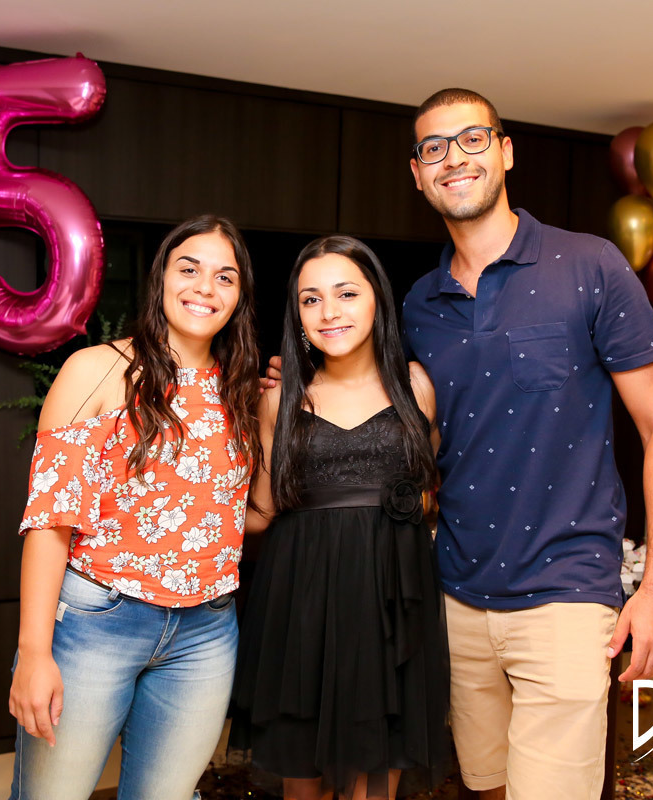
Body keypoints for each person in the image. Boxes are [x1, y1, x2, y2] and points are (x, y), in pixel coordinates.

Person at [268, 89, 653, 800]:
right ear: (417, 173)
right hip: (453, 597)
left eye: (472, 139)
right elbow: (392, 418)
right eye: (433, 148)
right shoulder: (417, 305)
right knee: (487, 786)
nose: (453, 159)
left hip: (565, 595)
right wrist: (301, 383)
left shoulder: (590, 265)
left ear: (505, 151)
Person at [8, 214, 262, 800]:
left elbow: (236, 513)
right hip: (98, 624)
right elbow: (49, 519)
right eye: (189, 269)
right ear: (161, 278)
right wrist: (34, 652)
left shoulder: (242, 389)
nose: (205, 287)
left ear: (239, 297)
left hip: (206, 633)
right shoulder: (97, 370)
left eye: (225, 277)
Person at [234, 236, 452, 800]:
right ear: (298, 315)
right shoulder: (278, 399)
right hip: (301, 607)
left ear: (377, 298)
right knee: (303, 786)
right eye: (311, 299)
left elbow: (433, 492)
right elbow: (261, 511)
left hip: (392, 607)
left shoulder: (417, 387)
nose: (329, 312)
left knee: (376, 782)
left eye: (346, 293)